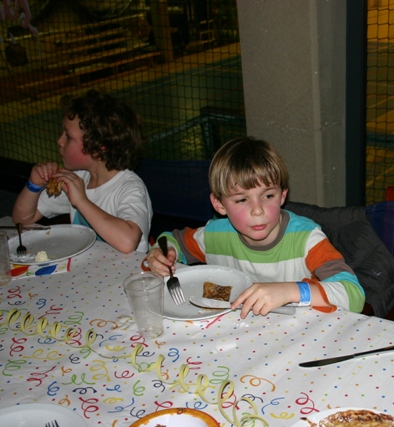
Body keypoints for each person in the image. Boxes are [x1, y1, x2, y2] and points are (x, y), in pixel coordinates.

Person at [145, 136, 365, 318]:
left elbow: (354, 295)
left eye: (268, 195)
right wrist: (161, 253)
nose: (257, 210)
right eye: (242, 200)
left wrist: (290, 290)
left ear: (282, 195)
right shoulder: (215, 236)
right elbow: (172, 239)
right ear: (220, 204)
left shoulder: (307, 238)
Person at [12, 89, 152, 253]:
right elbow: (22, 221)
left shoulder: (130, 188)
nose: (59, 141)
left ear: (97, 149)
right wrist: (33, 186)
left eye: (68, 136)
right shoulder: (78, 178)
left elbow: (128, 242)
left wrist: (81, 201)